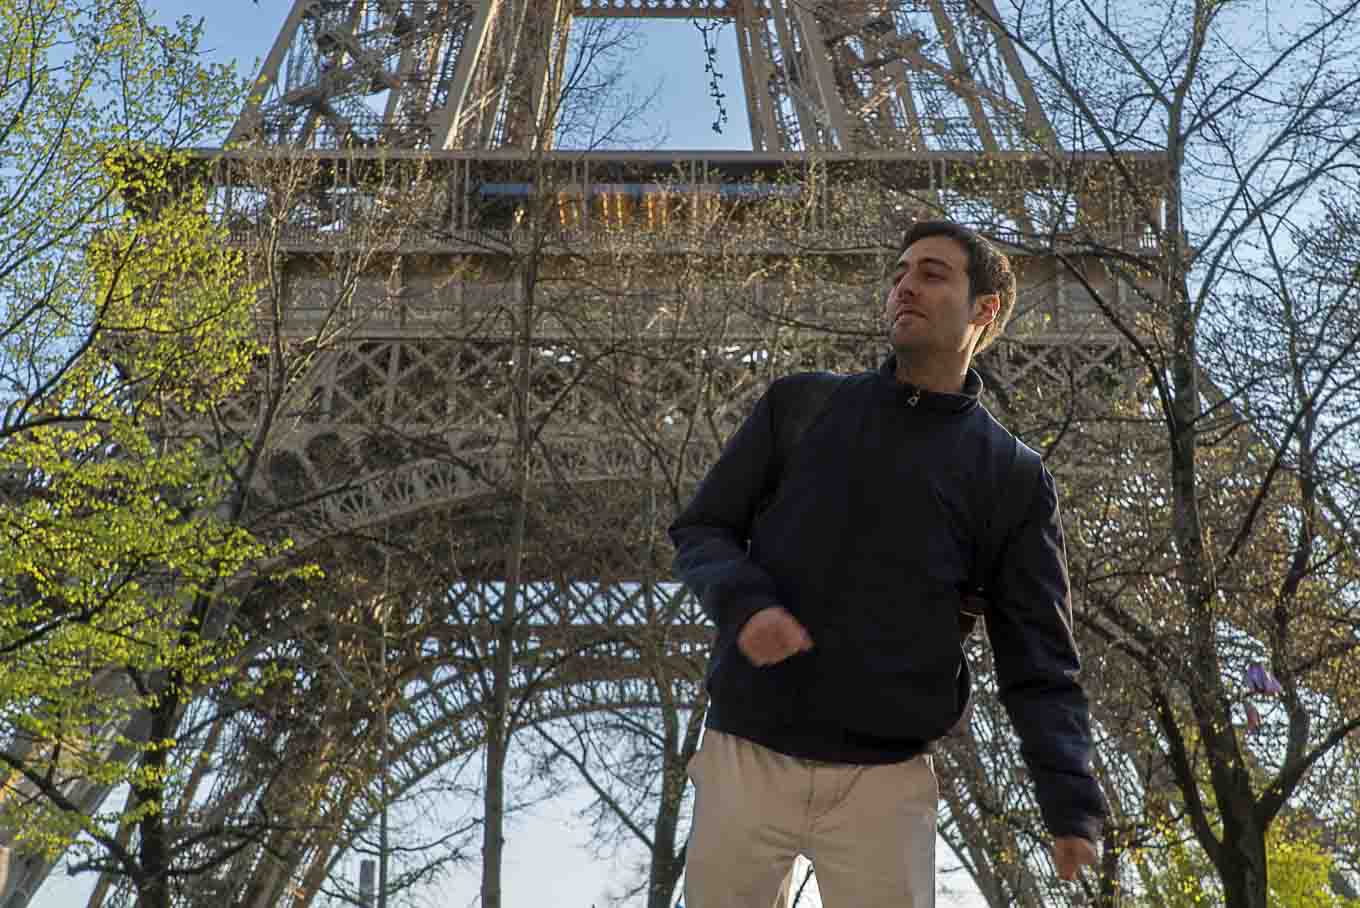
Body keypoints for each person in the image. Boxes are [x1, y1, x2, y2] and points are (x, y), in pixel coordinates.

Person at [669, 220, 1105, 907]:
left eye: (932, 274)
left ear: (984, 309)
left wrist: (1069, 800)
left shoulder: (1012, 477)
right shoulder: (801, 405)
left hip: (885, 778)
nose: (905, 285)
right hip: (748, 754)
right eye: (900, 272)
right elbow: (703, 529)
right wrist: (745, 602)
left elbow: (1040, 658)